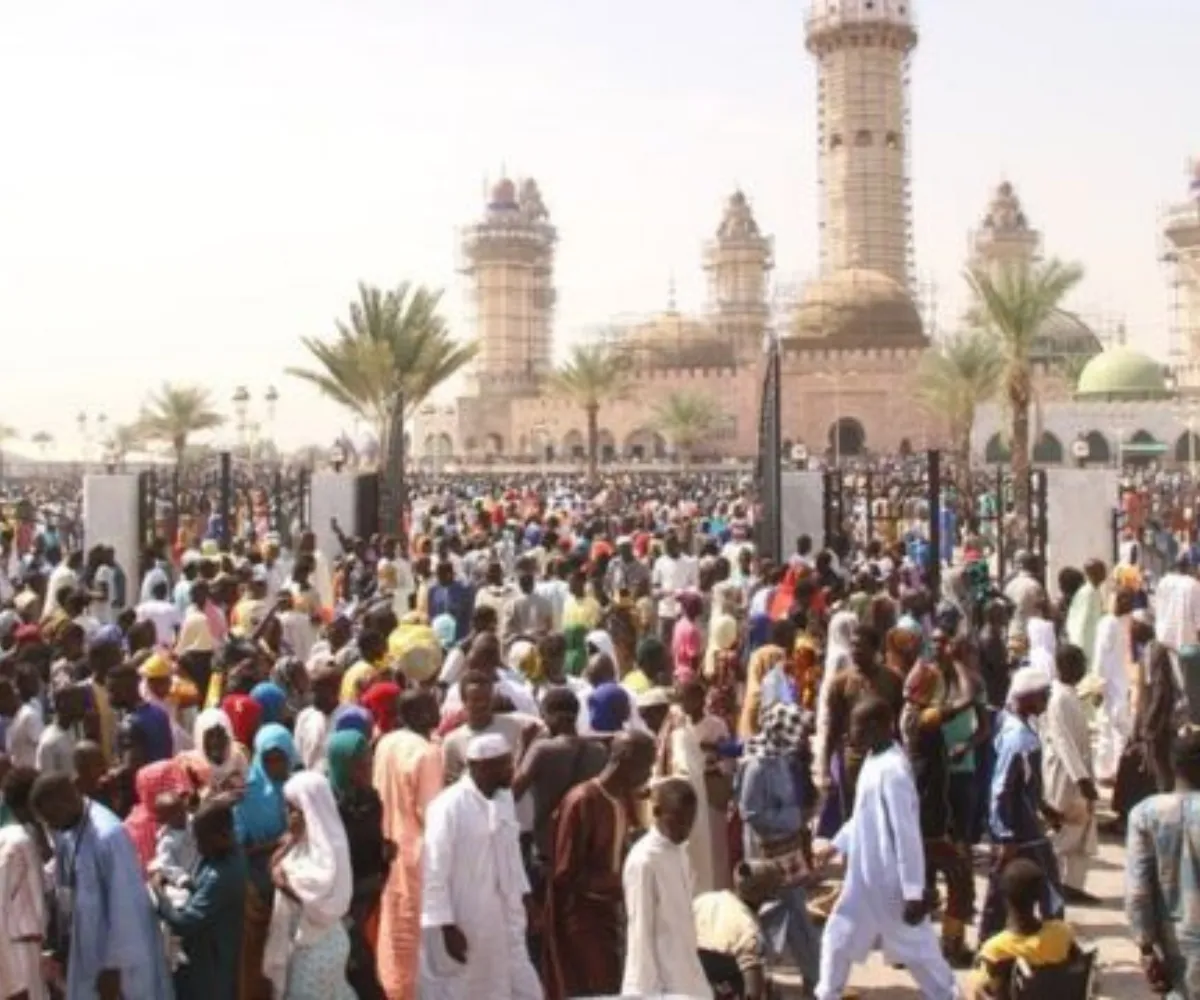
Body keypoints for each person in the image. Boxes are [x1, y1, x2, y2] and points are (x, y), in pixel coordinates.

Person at [814, 696, 958, 1000]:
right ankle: (827, 993)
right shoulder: (872, 760)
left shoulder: (893, 770)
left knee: (920, 952)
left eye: (856, 727)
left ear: (877, 727)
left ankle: (948, 995)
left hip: (889, 882)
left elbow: (906, 835)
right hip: (863, 878)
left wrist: (913, 891)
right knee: (837, 937)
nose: (850, 733)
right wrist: (835, 845)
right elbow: (864, 817)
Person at [419, 732, 542, 1000]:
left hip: (506, 915)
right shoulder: (447, 806)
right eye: (505, 765)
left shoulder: (503, 798)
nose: (512, 770)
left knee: (525, 988)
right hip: (467, 919)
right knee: (470, 988)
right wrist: (445, 926)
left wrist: (526, 897)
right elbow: (434, 869)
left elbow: (511, 853)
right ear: (481, 767)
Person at [32, 770, 174, 999]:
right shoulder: (68, 831)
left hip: (119, 967)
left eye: (51, 817)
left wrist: (113, 970)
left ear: (66, 800)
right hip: (87, 952)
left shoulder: (109, 836)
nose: (51, 826)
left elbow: (126, 910)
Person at [542, 731, 656, 1000]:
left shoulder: (623, 800)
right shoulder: (583, 800)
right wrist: (619, 883)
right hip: (582, 921)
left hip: (611, 915)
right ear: (625, 760)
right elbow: (565, 874)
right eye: (647, 765)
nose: (650, 773)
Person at [734, 701, 820, 988]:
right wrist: (796, 816)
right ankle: (810, 980)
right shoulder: (757, 765)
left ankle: (811, 978)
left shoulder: (778, 757)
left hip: (785, 847)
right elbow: (752, 813)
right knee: (777, 913)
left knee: (789, 913)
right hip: (766, 853)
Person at [978, 666, 1064, 941]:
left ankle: (988, 943)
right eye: (1043, 695)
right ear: (1027, 697)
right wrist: (1005, 836)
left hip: (1019, 826)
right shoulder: (1020, 739)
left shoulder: (1012, 724)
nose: (1047, 700)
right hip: (1021, 832)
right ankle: (1057, 945)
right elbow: (1001, 788)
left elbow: (1024, 784)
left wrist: (1044, 806)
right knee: (1049, 887)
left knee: (1000, 886)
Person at [373, 689, 443, 1000]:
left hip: (386, 847)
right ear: (417, 715)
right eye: (431, 707)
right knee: (415, 936)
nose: (437, 711)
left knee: (392, 929)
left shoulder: (386, 742)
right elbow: (431, 814)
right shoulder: (426, 753)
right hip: (416, 854)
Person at [1125, 725, 1200, 999]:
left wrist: (1145, 948)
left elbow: (1137, 893)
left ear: (1171, 764)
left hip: (1174, 946)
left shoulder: (1145, 814)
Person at [621, 776, 712, 998]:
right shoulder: (644, 861)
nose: (685, 830)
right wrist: (645, 991)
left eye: (690, 822)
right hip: (659, 981)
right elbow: (640, 931)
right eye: (678, 822)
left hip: (687, 970)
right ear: (658, 812)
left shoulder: (680, 853)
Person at [154, 796, 249, 1000]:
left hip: (211, 966)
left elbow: (183, 923)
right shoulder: (222, 855)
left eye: (202, 840)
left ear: (221, 836)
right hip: (208, 957)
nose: (197, 846)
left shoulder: (222, 875)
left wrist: (157, 891)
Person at [236, 723, 300, 1000]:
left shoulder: (300, 786)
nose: (275, 765)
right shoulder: (246, 793)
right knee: (261, 956)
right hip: (260, 886)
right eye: (268, 759)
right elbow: (241, 848)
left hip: (296, 883)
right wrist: (281, 841)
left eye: (280, 757)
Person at [328, 730, 390, 1000]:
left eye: (369, 763)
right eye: (360, 765)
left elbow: (373, 841)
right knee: (357, 972)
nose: (367, 770)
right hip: (341, 905)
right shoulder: (328, 806)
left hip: (370, 898)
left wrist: (385, 851)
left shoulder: (371, 799)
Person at [967, 859, 1081, 1000]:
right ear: (1039, 897)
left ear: (1005, 898)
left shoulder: (995, 949)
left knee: (973, 981)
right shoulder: (1062, 931)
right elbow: (1077, 964)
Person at [1042, 643, 1100, 905]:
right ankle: (1051, 885)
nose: (1083, 669)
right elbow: (1064, 742)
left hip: (1079, 775)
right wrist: (1082, 779)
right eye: (1079, 664)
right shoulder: (1058, 698)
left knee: (1082, 833)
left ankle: (1073, 885)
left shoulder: (1069, 695)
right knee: (1064, 832)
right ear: (1066, 667)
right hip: (1066, 778)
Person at [0, 767, 47, 1000]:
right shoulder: (17, 843)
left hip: (27, 951)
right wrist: (13, 982)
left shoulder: (24, 835)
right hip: (17, 957)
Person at [1155, 555, 1200, 651]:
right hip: (1187, 645)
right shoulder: (1194, 585)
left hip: (1163, 638)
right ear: (1189, 567)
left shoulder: (1163, 581)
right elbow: (1198, 622)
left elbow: (1158, 609)